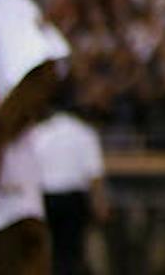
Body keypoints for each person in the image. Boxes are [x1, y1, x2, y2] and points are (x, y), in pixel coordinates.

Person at [29, 108, 109, 275]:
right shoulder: (85, 133)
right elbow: (94, 174)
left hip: (46, 197)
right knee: (70, 251)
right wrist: (99, 202)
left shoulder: (39, 133)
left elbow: (30, 170)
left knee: (45, 249)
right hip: (73, 199)